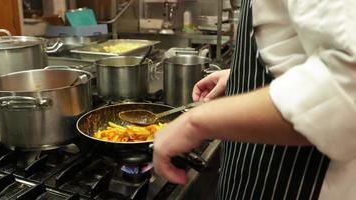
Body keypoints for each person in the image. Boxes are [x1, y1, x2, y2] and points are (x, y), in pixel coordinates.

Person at [153, 0, 356, 199]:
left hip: (297, 182)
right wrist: (241, 77)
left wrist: (195, 123)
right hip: (252, 177)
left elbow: (347, 86)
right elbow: (296, 47)